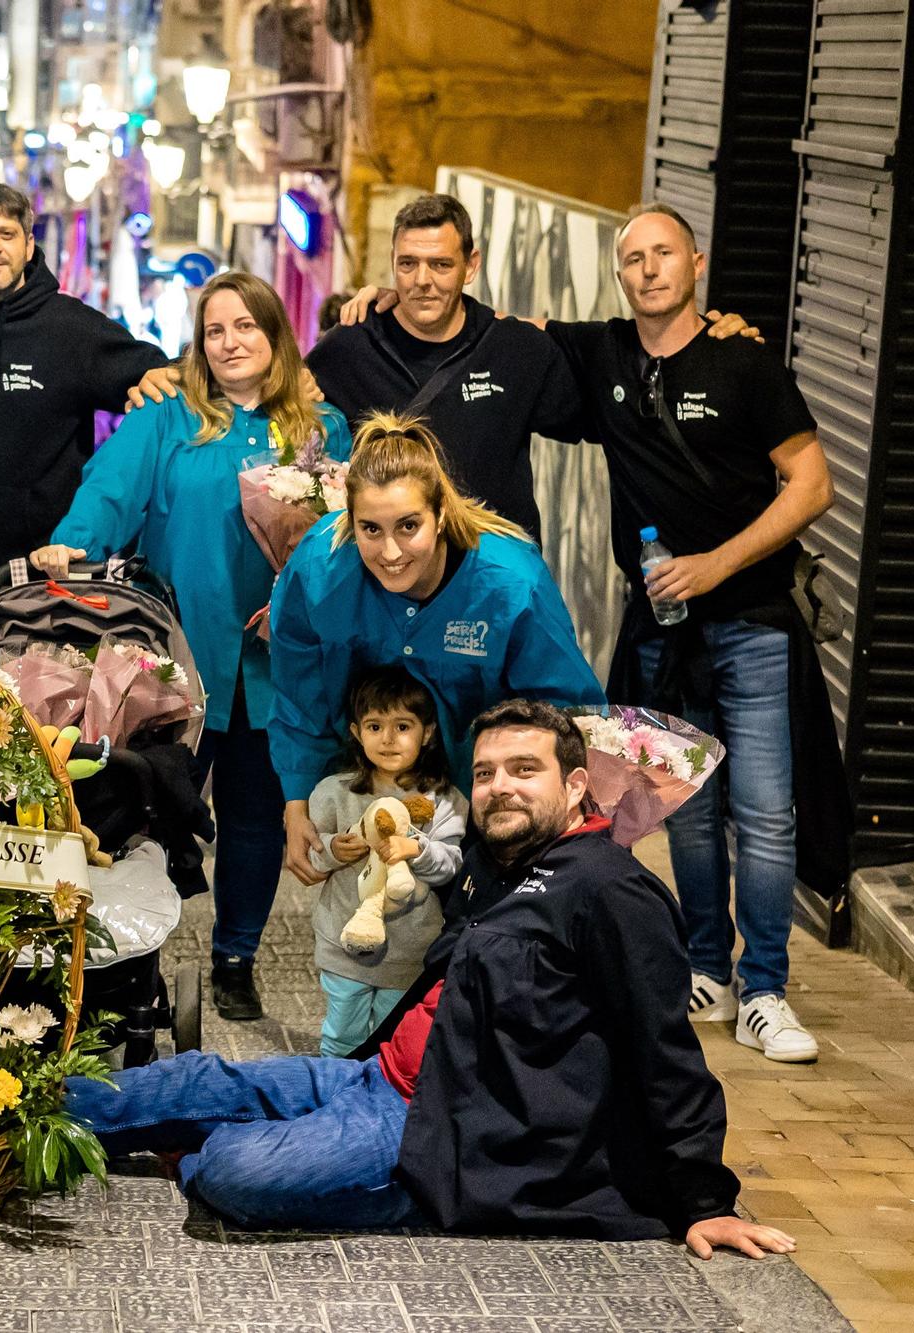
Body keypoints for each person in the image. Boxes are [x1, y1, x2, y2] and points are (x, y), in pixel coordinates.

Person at [67, 701, 798, 1260]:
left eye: (524, 769)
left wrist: (705, 1198)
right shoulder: (504, 866)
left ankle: (272, 1157)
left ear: (578, 785)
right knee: (195, 1078)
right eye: (484, 774)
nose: (499, 787)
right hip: (376, 1077)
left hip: (441, 1131)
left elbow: (664, 1049)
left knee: (235, 1172)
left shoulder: (611, 890)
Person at [539, 202, 837, 1063]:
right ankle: (707, 969)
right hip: (662, 633)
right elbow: (506, 330)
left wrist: (715, 563)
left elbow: (811, 486)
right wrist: (376, 299)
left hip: (751, 622)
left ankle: (768, 986)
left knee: (765, 812)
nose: (648, 269)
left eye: (663, 253)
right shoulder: (605, 355)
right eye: (632, 258)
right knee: (690, 810)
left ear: (695, 263)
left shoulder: (746, 364)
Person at [31, 272, 353, 1022]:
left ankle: (237, 956)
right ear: (198, 345)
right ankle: (130, 949)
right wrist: (71, 546)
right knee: (148, 810)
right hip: (173, 661)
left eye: (246, 326)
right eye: (215, 331)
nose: (230, 342)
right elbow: (109, 490)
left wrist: (298, 596)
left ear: (275, 335)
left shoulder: (317, 428)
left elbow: (338, 531)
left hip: (278, 659)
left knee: (254, 814)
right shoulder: (167, 419)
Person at [269, 412, 605, 887]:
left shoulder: (509, 581)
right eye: (370, 529)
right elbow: (298, 696)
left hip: (489, 790)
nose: (390, 552)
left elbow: (561, 707)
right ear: (349, 518)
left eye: (409, 526)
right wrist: (298, 802)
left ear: (441, 513)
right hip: (373, 790)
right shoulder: (318, 572)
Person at [317, 193, 759, 541]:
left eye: (441, 264)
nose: (422, 280)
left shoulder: (514, 349)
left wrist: (705, 342)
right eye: (407, 264)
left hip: (490, 588)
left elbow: (621, 415)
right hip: (383, 584)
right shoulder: (352, 345)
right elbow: (288, 410)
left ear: (471, 266)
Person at [0, 182, 176, 647]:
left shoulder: (72, 330)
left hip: (40, 581)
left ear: (28, 244)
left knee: (33, 720)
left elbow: (168, 374)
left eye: (6, 233)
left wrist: (163, 376)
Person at [307, 666, 465, 1057]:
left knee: (391, 1038)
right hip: (343, 941)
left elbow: (451, 863)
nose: (388, 739)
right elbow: (310, 856)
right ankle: (330, 1098)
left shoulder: (444, 800)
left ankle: (375, 1103)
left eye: (403, 726)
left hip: (410, 946)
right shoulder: (334, 792)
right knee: (341, 1035)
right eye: (375, 727)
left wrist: (417, 849)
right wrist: (332, 849)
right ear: (357, 733)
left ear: (427, 733)